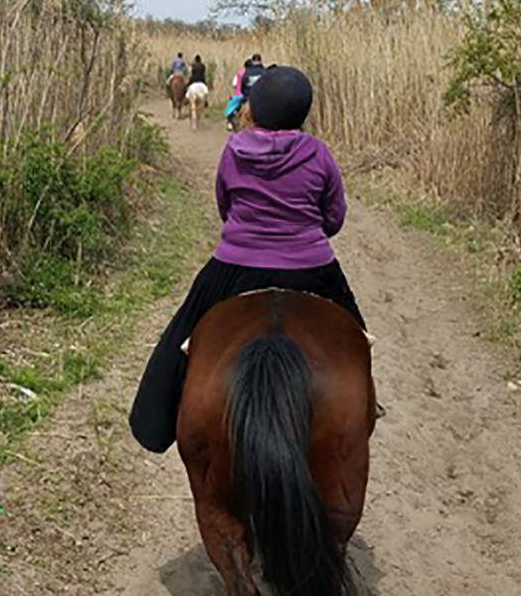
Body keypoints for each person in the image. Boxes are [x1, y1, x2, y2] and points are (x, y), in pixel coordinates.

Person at [130, 64, 368, 454]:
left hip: (235, 265)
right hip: (312, 266)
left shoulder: (234, 149)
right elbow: (334, 218)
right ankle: (366, 408)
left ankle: (153, 422)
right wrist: (304, 233)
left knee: (178, 341)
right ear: (303, 113)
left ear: (254, 107)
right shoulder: (319, 153)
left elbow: (225, 206)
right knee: (357, 339)